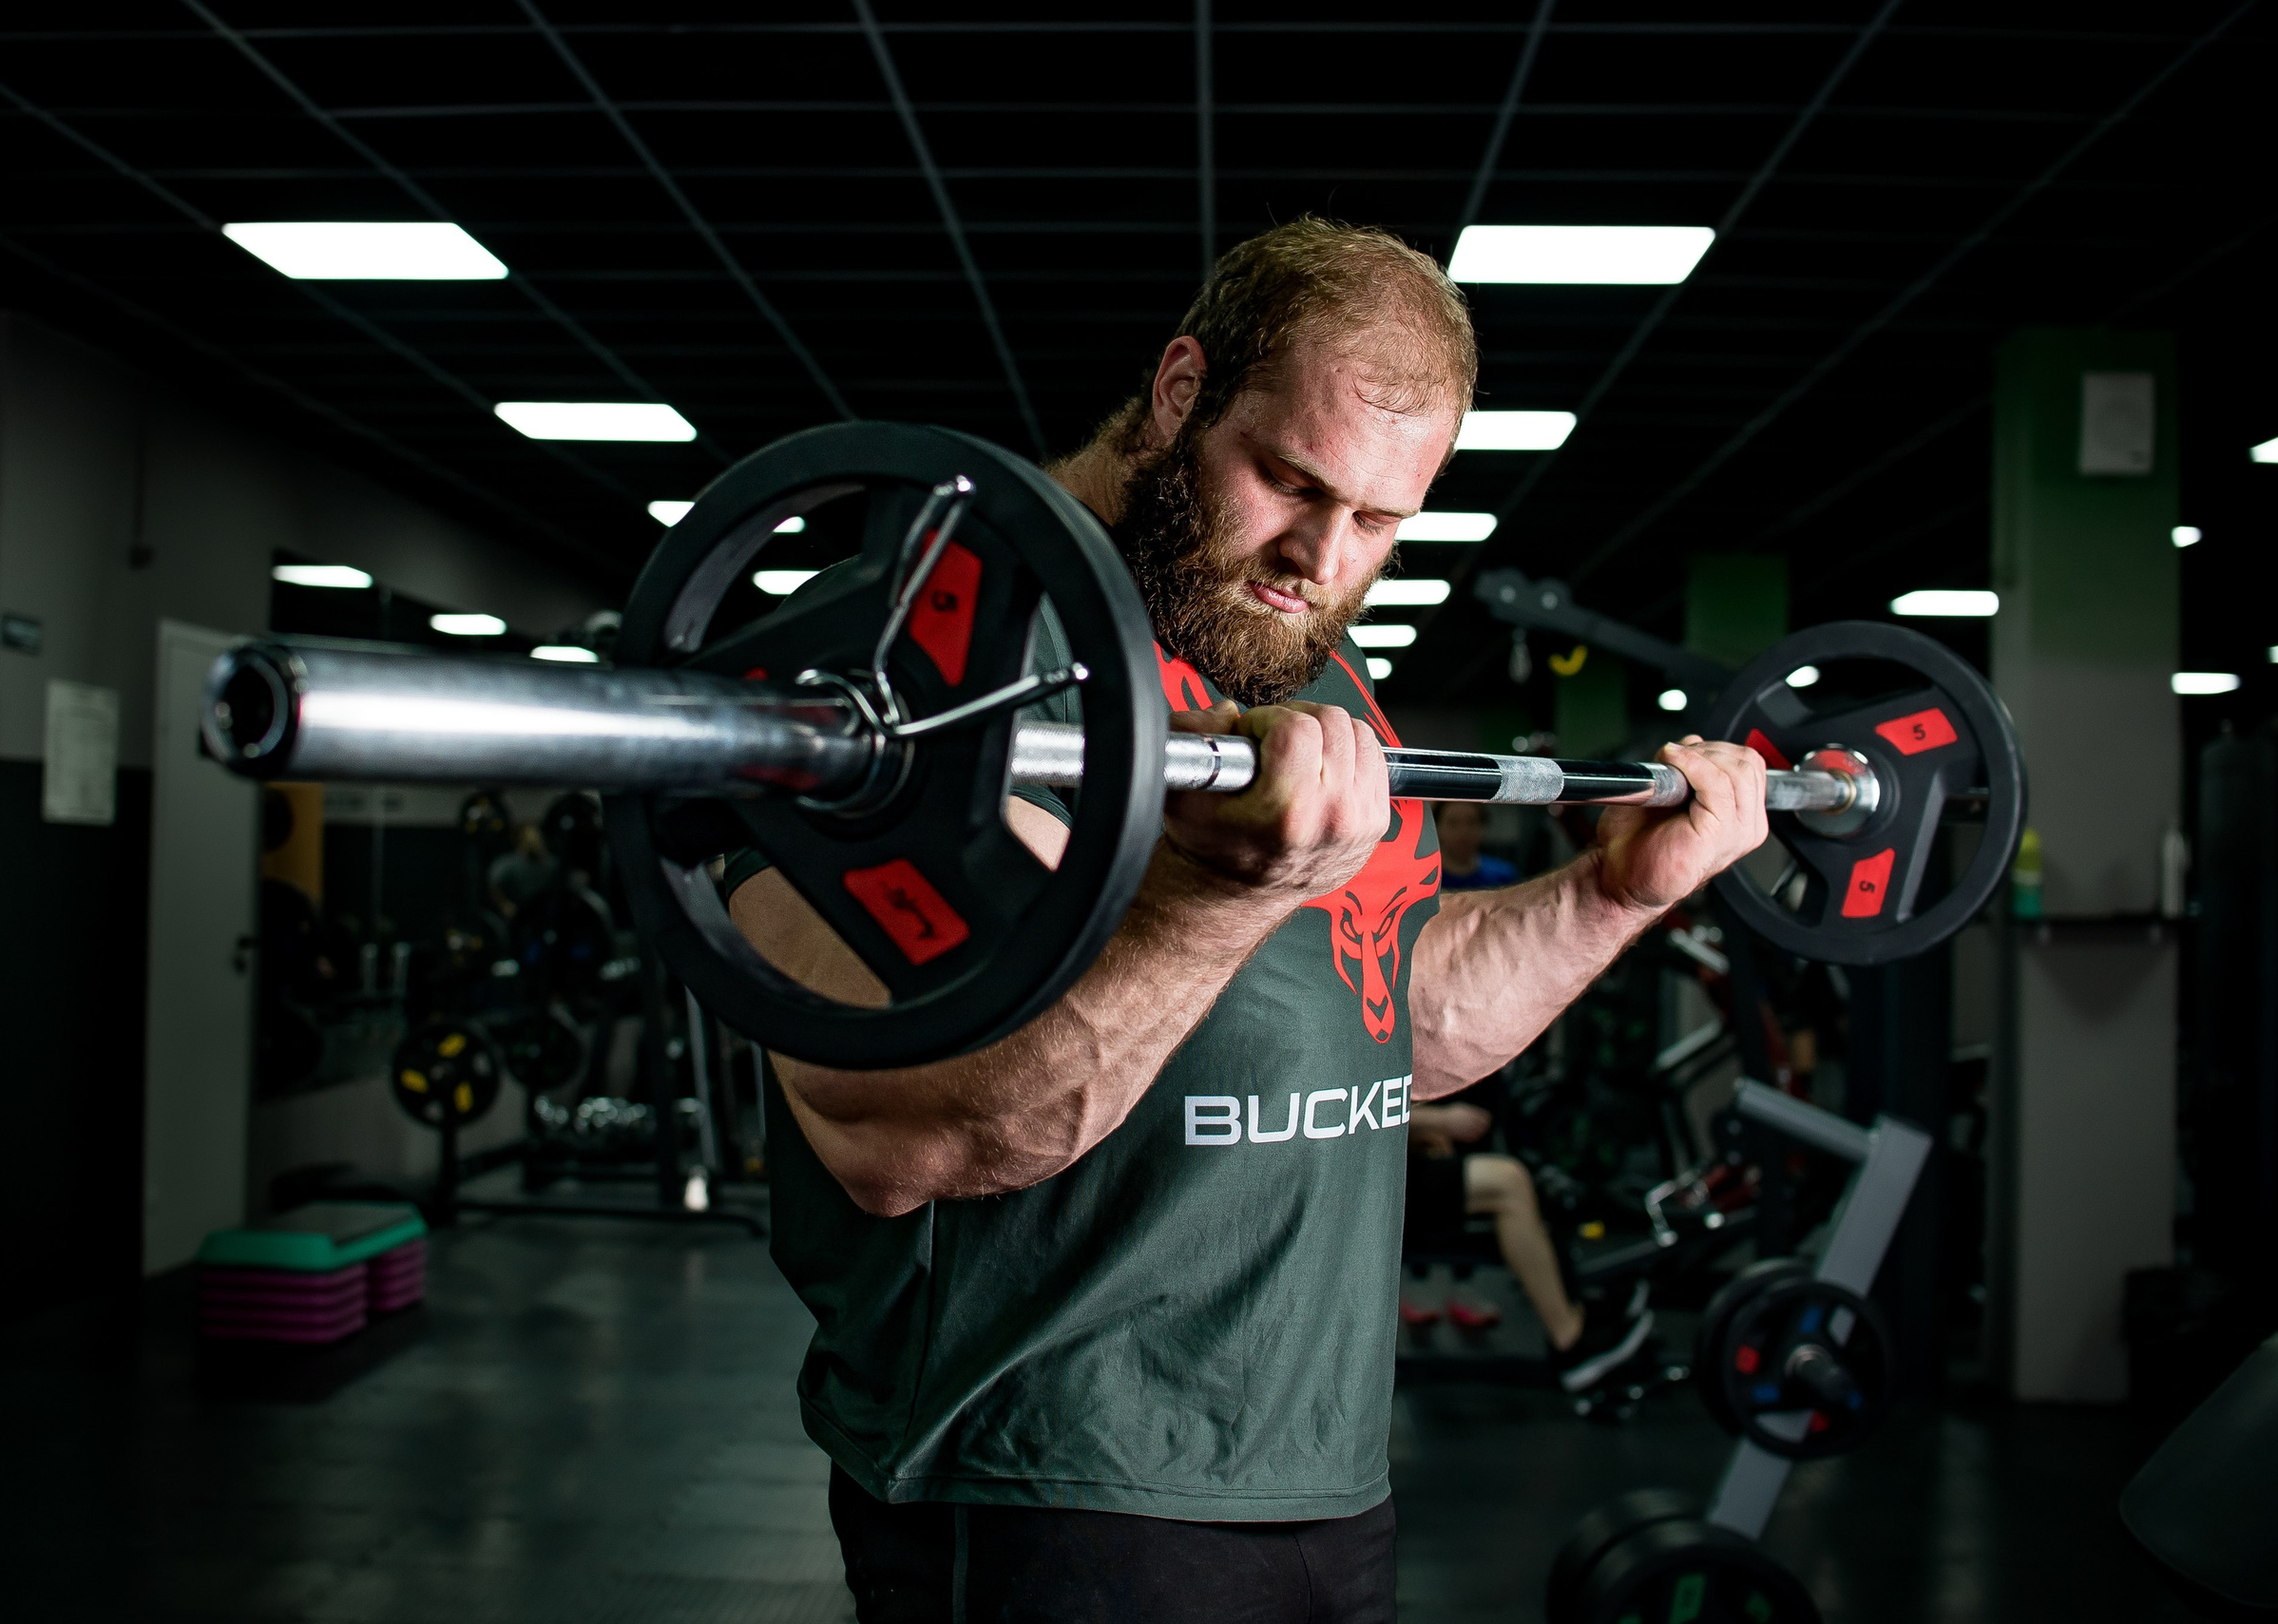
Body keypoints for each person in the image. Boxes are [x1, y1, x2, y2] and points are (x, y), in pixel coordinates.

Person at [728, 219, 1766, 1623]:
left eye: (1381, 522)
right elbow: (896, 1134)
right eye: (1290, 480)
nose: (1321, 557)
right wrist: (1213, 900)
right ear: (1180, 390)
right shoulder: (933, 641)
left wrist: (1613, 893)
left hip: (1317, 1475)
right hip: (1049, 1482)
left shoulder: (1294, 658)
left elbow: (1386, 1012)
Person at [1406, 1100, 1654, 1392]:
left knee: (1532, 1177)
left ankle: (1575, 1310)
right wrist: (1440, 1120)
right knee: (1508, 1183)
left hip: (1398, 1163)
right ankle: (1570, 1344)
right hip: (1378, 1185)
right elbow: (1363, 1103)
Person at [1434, 799, 1522, 890]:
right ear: (1437, 828)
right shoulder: (1428, 878)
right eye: (1453, 823)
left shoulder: (1503, 877)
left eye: (1471, 823)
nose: (1463, 832)